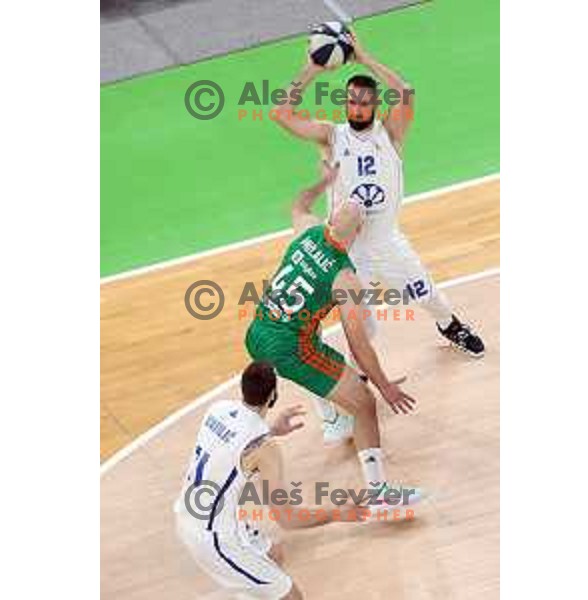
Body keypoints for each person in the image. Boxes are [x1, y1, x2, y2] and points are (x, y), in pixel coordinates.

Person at [272, 31, 485, 442]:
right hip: (348, 255)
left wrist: (364, 56)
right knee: (360, 328)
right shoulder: (331, 136)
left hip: (388, 243)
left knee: (429, 294)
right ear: (346, 103)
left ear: (373, 105)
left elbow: (405, 91)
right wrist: (313, 69)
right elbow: (282, 113)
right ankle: (361, 383)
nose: (357, 106)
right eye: (351, 100)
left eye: (365, 101)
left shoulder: (391, 134)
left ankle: (450, 326)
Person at [245, 164, 420, 506]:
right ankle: (377, 493)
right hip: (291, 348)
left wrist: (322, 182)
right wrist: (384, 386)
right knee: (365, 404)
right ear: (357, 233)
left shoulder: (308, 233)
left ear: (329, 222)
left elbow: (298, 205)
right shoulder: (344, 278)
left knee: (329, 364)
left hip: (257, 331)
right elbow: (359, 343)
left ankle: (242, 453)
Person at [174, 361, 367, 600]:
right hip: (214, 538)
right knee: (292, 597)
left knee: (273, 553)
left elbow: (233, 446)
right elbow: (288, 519)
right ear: (273, 396)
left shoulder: (218, 409)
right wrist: (338, 512)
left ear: (242, 388)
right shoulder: (265, 449)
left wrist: (270, 430)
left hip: (187, 512)